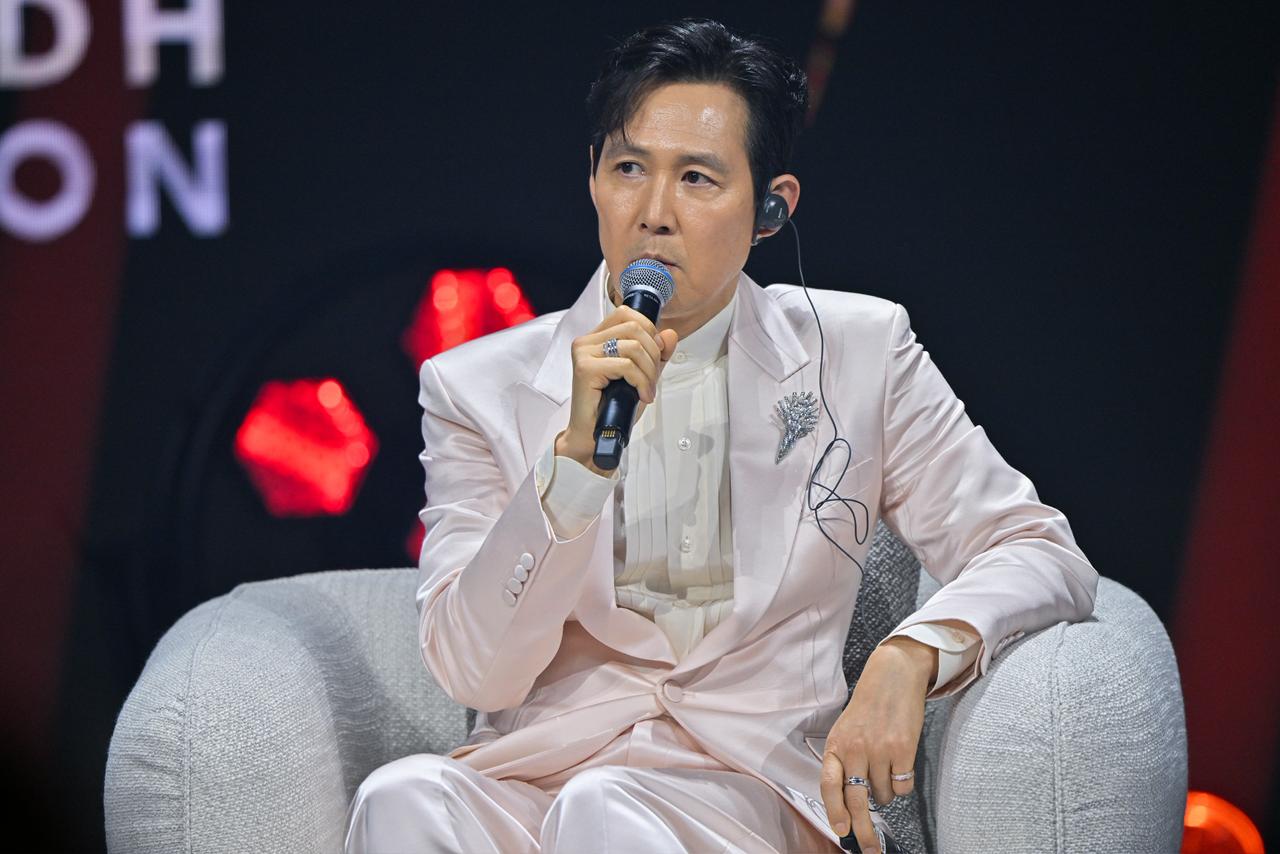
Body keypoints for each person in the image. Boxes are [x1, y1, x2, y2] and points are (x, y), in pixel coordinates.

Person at [345, 17, 1098, 854]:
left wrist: (910, 655)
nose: (654, 214)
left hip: (753, 794)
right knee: (401, 797)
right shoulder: (476, 386)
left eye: (697, 178)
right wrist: (571, 472)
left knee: (608, 809)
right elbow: (475, 673)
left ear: (772, 209)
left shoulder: (860, 353)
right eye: (629, 169)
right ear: (592, 178)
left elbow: (1035, 547)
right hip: (540, 783)